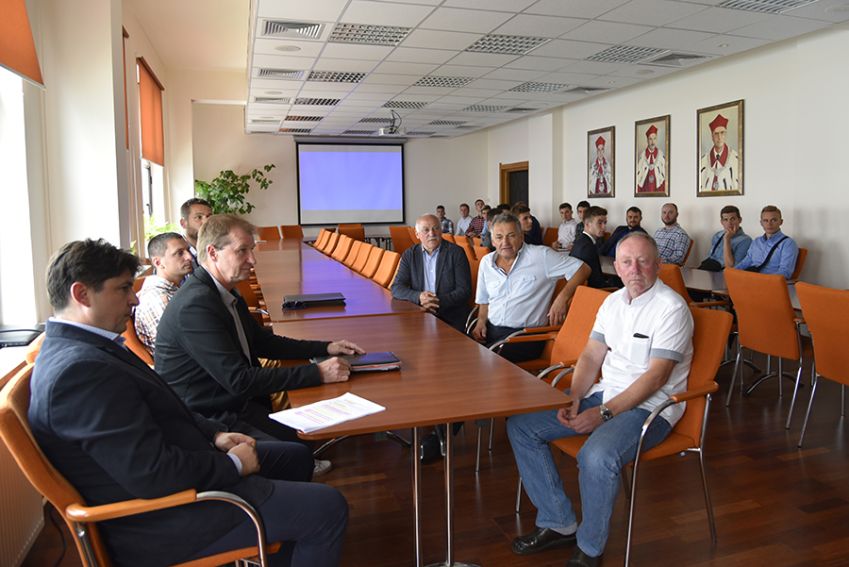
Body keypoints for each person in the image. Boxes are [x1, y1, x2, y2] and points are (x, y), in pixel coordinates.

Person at [30, 238, 347, 567]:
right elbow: (151, 474)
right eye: (123, 288)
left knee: (296, 457)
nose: (134, 298)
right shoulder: (80, 372)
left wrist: (215, 434)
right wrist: (233, 465)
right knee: (327, 507)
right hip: (168, 520)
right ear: (82, 295)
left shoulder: (87, 348)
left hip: (186, 467)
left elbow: (165, 405)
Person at [507, 232, 694, 567]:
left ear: (658, 265)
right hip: (603, 395)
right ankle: (558, 522)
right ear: (616, 268)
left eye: (643, 261)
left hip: (650, 409)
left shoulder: (672, 308)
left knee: (596, 457)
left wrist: (604, 414)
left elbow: (656, 377)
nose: (635, 269)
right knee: (522, 425)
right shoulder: (612, 302)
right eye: (627, 262)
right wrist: (575, 398)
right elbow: (592, 355)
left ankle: (590, 548)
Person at [155, 215, 364, 475]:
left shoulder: (221, 290)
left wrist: (325, 347)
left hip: (231, 402)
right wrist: (318, 373)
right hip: (209, 417)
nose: (252, 260)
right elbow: (239, 380)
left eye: (251, 250)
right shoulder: (195, 305)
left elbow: (262, 341)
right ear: (213, 252)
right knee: (298, 452)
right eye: (242, 251)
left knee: (301, 439)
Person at [473, 212, 590, 363]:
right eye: (499, 237)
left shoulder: (541, 255)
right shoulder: (486, 262)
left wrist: (562, 298)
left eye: (511, 236)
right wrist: (481, 322)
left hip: (524, 337)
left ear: (521, 236)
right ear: (493, 240)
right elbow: (484, 300)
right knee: (460, 352)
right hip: (491, 330)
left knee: (479, 363)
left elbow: (583, 269)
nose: (505, 242)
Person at [391, 214, 472, 332]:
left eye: (436, 228)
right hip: (419, 315)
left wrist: (435, 302)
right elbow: (397, 288)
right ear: (417, 234)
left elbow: (464, 290)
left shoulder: (456, 253)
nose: (432, 233)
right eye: (426, 230)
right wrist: (419, 297)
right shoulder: (410, 255)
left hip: (450, 317)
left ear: (441, 231)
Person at [134, 232, 194, 357]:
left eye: (188, 250)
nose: (189, 257)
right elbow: (179, 348)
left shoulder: (177, 290)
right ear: (158, 262)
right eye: (180, 253)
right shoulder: (157, 299)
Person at [733, 205, 799, 279]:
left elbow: (785, 272)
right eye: (765, 220)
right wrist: (731, 272)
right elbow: (746, 262)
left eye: (773, 220)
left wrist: (762, 280)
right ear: (761, 223)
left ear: (781, 222)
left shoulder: (788, 244)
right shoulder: (756, 241)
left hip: (770, 282)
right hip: (751, 279)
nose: (769, 224)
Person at [570, 206, 617, 289]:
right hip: (589, 291)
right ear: (587, 224)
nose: (604, 227)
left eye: (605, 223)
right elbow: (596, 283)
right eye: (599, 223)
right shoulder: (588, 248)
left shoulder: (580, 241)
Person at [698, 205, 752, 271]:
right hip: (708, 267)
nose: (729, 223)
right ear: (722, 222)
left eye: (732, 219)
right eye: (726, 220)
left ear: (740, 220)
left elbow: (732, 266)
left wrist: (727, 239)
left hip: (722, 272)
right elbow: (711, 256)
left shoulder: (745, 240)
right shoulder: (718, 235)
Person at [699, 114, 740, 192]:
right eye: (716, 134)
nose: (719, 137)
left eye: (722, 133)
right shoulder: (703, 161)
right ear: (712, 137)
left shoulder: (736, 159)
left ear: (726, 134)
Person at [180, 197, 213, 264]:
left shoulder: (215, 249)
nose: (206, 222)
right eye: (199, 217)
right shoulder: (177, 255)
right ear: (183, 223)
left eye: (209, 217)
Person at [635, 124, 666, 193]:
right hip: (645, 188)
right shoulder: (642, 155)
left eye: (654, 138)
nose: (652, 142)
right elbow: (638, 174)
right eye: (650, 139)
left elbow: (664, 172)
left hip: (658, 187)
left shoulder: (660, 154)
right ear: (647, 140)